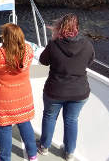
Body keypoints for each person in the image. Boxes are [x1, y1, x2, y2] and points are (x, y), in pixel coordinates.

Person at [37, 14, 94, 161]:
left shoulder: (54, 44)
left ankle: (44, 147)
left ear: (60, 27)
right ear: (77, 28)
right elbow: (89, 61)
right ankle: (69, 153)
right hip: (79, 92)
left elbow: (43, 61)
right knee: (71, 120)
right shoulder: (87, 45)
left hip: (55, 91)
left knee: (50, 117)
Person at [0, 23, 38, 161]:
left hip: (4, 100)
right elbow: (19, 50)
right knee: (24, 123)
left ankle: (5, 158)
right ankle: (33, 155)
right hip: (23, 96)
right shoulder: (28, 50)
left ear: (5, 38)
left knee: (4, 128)